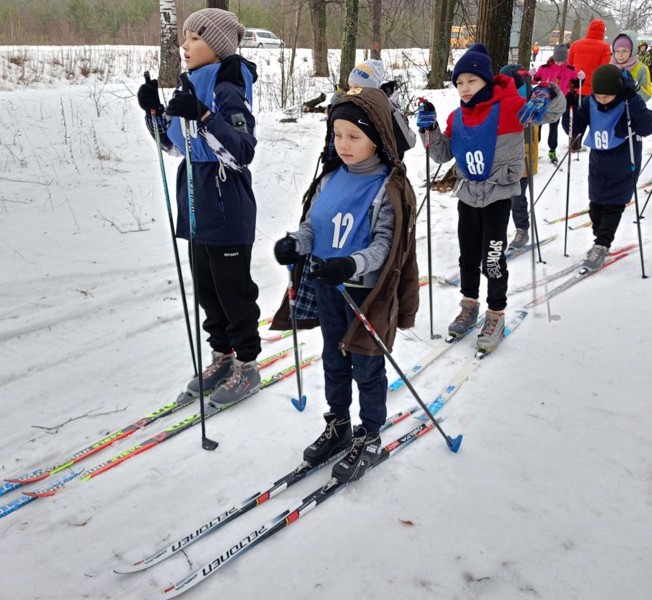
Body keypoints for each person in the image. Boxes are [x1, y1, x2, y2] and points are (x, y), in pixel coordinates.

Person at [272, 87, 419, 483]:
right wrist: (296, 244)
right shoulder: (331, 177)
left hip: (365, 294)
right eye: (337, 135)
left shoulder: (387, 187)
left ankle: (370, 435)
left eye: (354, 136)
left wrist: (350, 265)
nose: (344, 144)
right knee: (333, 361)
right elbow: (313, 226)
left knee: (367, 367)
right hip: (327, 286)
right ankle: (337, 423)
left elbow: (386, 247)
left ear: (377, 138)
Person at [136, 8, 262, 405]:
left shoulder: (228, 80)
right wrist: (153, 114)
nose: (184, 46)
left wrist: (205, 115)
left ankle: (247, 364)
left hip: (227, 202)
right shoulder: (188, 82)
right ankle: (221, 356)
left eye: (194, 38)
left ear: (218, 44)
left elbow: (241, 152)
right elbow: (175, 145)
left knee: (233, 291)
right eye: (184, 37)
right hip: (195, 199)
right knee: (208, 290)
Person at [417, 44, 526, 352]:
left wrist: (549, 95)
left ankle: (495, 313)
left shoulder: (509, 106)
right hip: (468, 196)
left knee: (492, 259)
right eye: (460, 83)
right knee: (468, 257)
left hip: (497, 196)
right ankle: (469, 305)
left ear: (486, 82)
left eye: (472, 81)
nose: (464, 88)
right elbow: (441, 154)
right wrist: (431, 129)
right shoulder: (457, 117)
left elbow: (549, 112)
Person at [562, 64, 652, 269]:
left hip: (624, 161)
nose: (601, 100)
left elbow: (647, 126)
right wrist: (570, 109)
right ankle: (601, 239)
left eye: (606, 97)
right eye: (598, 95)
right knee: (596, 206)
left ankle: (601, 244)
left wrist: (633, 98)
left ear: (617, 92)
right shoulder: (590, 102)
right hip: (598, 163)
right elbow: (574, 128)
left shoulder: (627, 103)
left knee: (614, 206)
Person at [500, 64, 566, 249]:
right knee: (498, 202)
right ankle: (495, 233)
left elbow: (556, 112)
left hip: (523, 160)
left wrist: (552, 92)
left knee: (517, 198)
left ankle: (522, 230)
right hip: (499, 161)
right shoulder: (497, 103)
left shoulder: (533, 106)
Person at [332, 59, 417, 160]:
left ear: (372, 89)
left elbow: (408, 141)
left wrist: (390, 109)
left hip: (382, 167)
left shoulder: (385, 108)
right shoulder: (351, 105)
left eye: (357, 87)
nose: (352, 91)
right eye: (351, 87)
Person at [533, 44, 577, 163]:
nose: (559, 62)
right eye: (557, 60)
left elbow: (577, 84)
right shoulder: (544, 68)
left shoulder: (570, 69)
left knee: (554, 127)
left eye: (562, 60)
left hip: (558, 104)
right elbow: (535, 79)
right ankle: (534, 148)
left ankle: (552, 150)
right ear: (554, 57)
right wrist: (532, 74)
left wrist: (581, 79)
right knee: (538, 125)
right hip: (543, 101)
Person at [568, 19, 612, 98]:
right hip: (592, 89)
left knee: (576, 109)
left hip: (575, 87)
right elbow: (603, 70)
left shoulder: (575, 44)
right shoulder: (605, 47)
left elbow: (569, 66)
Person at [610, 31, 652, 102]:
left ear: (632, 51)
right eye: (617, 51)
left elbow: (647, 95)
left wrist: (636, 87)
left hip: (630, 110)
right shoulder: (609, 66)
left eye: (624, 51)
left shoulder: (642, 69)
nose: (620, 55)